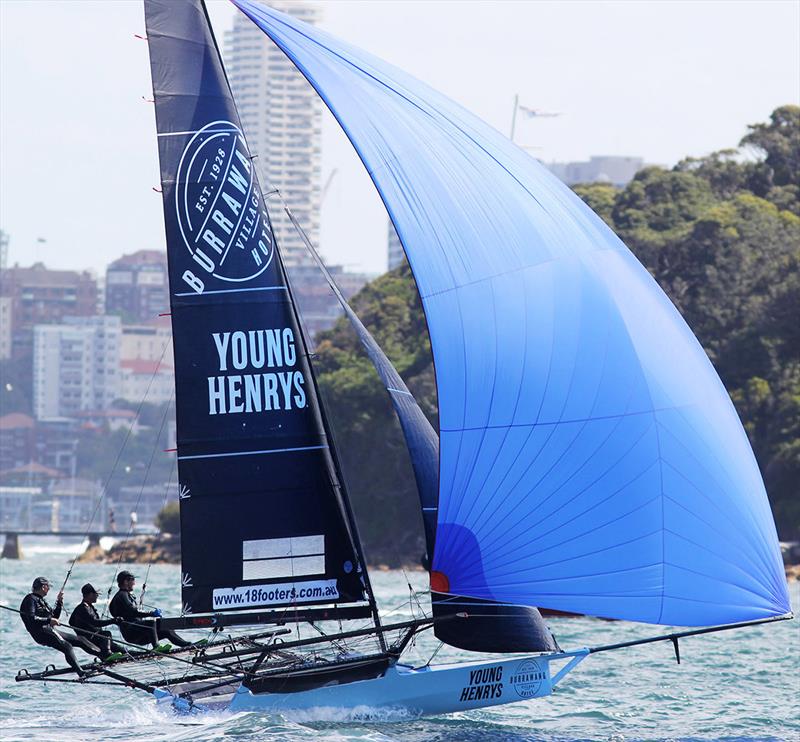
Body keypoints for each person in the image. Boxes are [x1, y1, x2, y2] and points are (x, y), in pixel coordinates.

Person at [19, 576, 105, 678]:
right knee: (66, 646)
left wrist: (59, 602)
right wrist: (49, 620)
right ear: (43, 587)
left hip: (49, 630)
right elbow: (31, 619)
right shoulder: (30, 599)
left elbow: (54, 617)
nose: (49, 589)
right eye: (48, 586)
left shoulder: (41, 600)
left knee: (80, 639)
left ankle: (104, 656)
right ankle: (81, 673)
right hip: (41, 632)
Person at [109, 571, 191, 650]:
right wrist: (152, 613)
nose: (134, 583)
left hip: (139, 631)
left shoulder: (125, 595)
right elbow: (134, 612)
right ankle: (156, 647)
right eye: (132, 580)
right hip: (131, 633)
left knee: (165, 628)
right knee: (151, 623)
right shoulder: (122, 595)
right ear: (125, 581)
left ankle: (186, 645)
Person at [68, 583, 126, 661]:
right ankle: (106, 654)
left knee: (123, 651)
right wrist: (113, 621)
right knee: (107, 634)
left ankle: (134, 653)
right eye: (96, 594)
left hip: (99, 639)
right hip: (92, 639)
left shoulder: (87, 607)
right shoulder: (83, 608)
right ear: (90, 594)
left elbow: (71, 622)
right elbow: (95, 622)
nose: (97, 597)